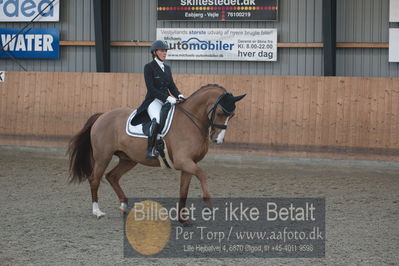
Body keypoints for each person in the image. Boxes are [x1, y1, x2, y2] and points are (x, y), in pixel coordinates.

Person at [130, 40, 185, 159]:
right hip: (153, 100)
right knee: (157, 120)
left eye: (166, 51)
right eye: (162, 51)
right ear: (155, 52)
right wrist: (168, 97)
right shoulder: (149, 67)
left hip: (166, 100)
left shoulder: (167, 68)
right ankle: (150, 150)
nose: (165, 53)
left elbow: (172, 86)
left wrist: (179, 95)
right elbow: (151, 89)